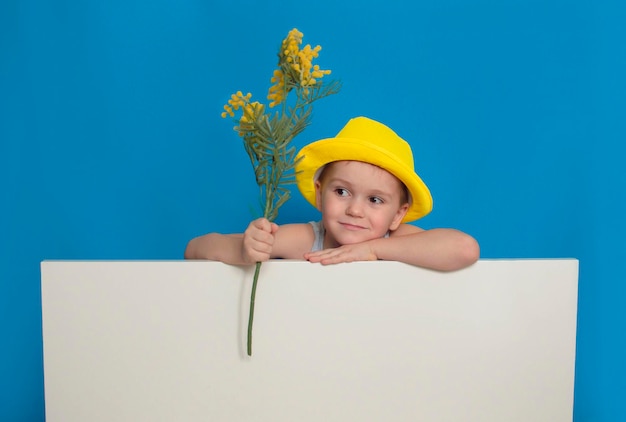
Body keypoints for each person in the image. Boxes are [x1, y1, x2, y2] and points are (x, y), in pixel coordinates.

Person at [185, 116, 479, 271]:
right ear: (318, 193)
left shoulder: (396, 239)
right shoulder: (308, 240)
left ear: (398, 215)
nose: (355, 210)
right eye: (341, 191)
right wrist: (245, 250)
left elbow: (464, 249)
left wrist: (374, 250)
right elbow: (196, 249)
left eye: (375, 200)